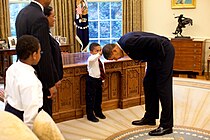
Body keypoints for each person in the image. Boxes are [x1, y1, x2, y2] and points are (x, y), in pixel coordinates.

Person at [102, 31, 175, 136]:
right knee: (148, 83)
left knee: (163, 88)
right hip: (155, 56)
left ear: (114, 50)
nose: (116, 59)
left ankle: (166, 125)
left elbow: (156, 41)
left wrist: (160, 62)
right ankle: (150, 117)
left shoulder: (128, 43)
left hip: (164, 53)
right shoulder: (124, 43)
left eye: (114, 57)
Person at [15, 0, 59, 116]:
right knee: (42, 116)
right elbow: (44, 53)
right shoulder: (40, 17)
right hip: (38, 77)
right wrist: (50, 83)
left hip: (23, 71)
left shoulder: (22, 13)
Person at [4, 35, 43, 129]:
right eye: (39, 52)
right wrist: (29, 131)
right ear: (34, 55)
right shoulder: (30, 80)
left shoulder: (12, 68)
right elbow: (31, 109)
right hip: (22, 117)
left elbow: (7, 94)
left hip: (10, 111)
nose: (40, 54)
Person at [86, 43, 106, 122]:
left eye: (100, 50)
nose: (99, 52)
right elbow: (92, 59)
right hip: (91, 80)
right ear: (91, 52)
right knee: (91, 98)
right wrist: (99, 54)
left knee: (98, 98)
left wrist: (103, 80)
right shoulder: (91, 59)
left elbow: (102, 70)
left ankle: (98, 112)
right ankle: (90, 115)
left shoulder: (100, 60)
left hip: (99, 80)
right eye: (96, 51)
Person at [44, 6, 63, 85]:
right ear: (45, 17)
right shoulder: (44, 36)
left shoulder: (48, 33)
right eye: (53, 16)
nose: (54, 19)